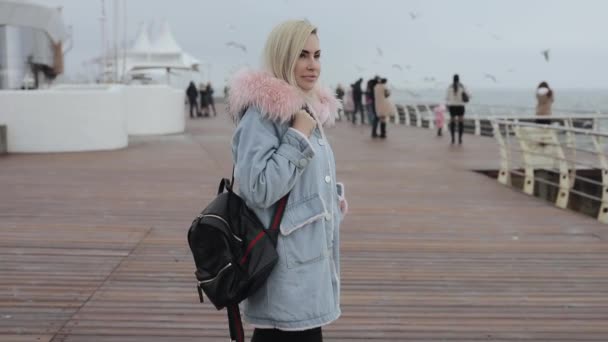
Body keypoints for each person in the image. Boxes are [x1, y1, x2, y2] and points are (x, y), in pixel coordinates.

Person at [227, 19, 347, 342]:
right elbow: (257, 187)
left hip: (308, 274)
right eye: (302, 55)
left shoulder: (308, 109)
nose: (313, 65)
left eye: (317, 55)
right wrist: (296, 135)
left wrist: (331, 200)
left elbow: (300, 185)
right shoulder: (263, 114)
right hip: (285, 277)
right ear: (283, 56)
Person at [445, 74, 470, 144]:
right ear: (459, 79)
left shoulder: (450, 87)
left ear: (453, 79)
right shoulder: (462, 86)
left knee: (452, 122)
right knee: (461, 123)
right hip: (460, 106)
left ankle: (452, 138)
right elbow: (469, 95)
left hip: (452, 106)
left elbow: (447, 98)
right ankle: (460, 139)